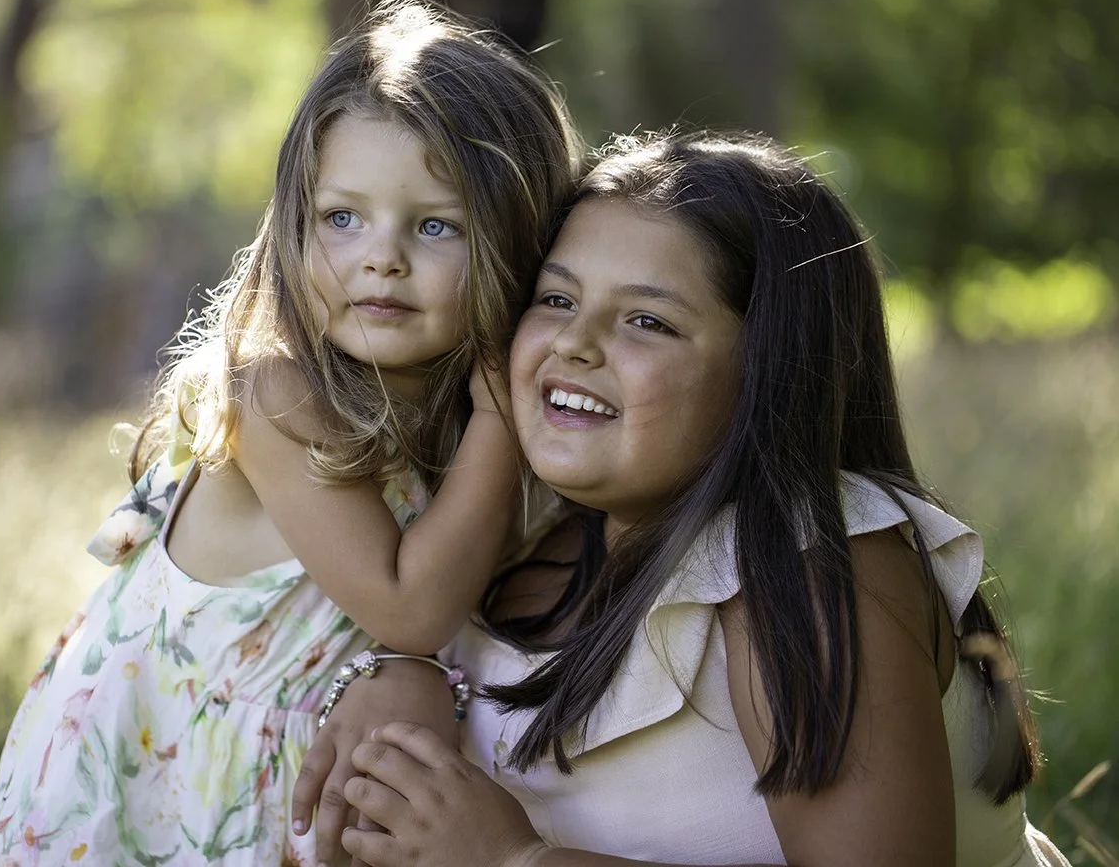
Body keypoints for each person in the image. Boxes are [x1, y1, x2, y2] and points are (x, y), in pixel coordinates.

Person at [293, 130, 1072, 867]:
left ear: (772, 373)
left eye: (647, 321)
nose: (574, 342)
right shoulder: (549, 535)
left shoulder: (806, 564)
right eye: (557, 300)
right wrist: (405, 666)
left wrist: (512, 858)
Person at [0, 0, 583, 866]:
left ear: (516, 240)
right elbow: (411, 608)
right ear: (295, 225)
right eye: (344, 217)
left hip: (280, 782)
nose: (382, 257)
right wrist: (499, 410)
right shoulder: (278, 394)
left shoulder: (458, 426)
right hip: (161, 776)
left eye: (436, 226)